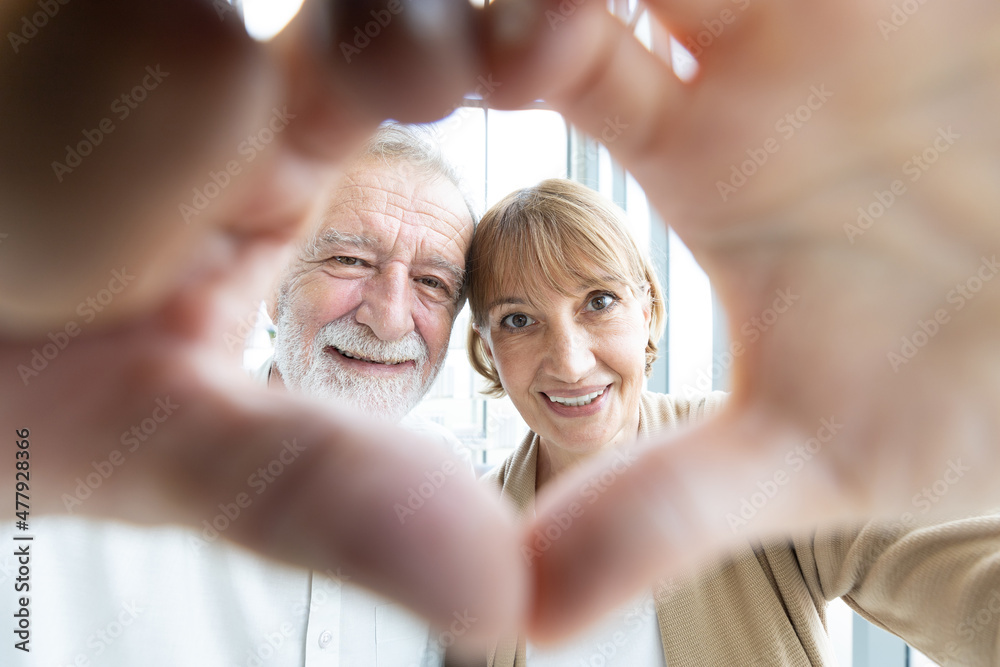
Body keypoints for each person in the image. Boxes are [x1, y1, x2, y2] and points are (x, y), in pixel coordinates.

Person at [2, 0, 999, 648]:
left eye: (434, 282)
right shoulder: (68, 451)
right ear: (491, 352)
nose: (390, 312)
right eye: (348, 259)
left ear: (650, 315)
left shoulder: (776, 464)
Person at [467, 179, 1000, 666]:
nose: (570, 362)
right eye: (518, 320)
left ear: (648, 311)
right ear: (487, 348)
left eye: (599, 302)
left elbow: (961, 575)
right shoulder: (466, 542)